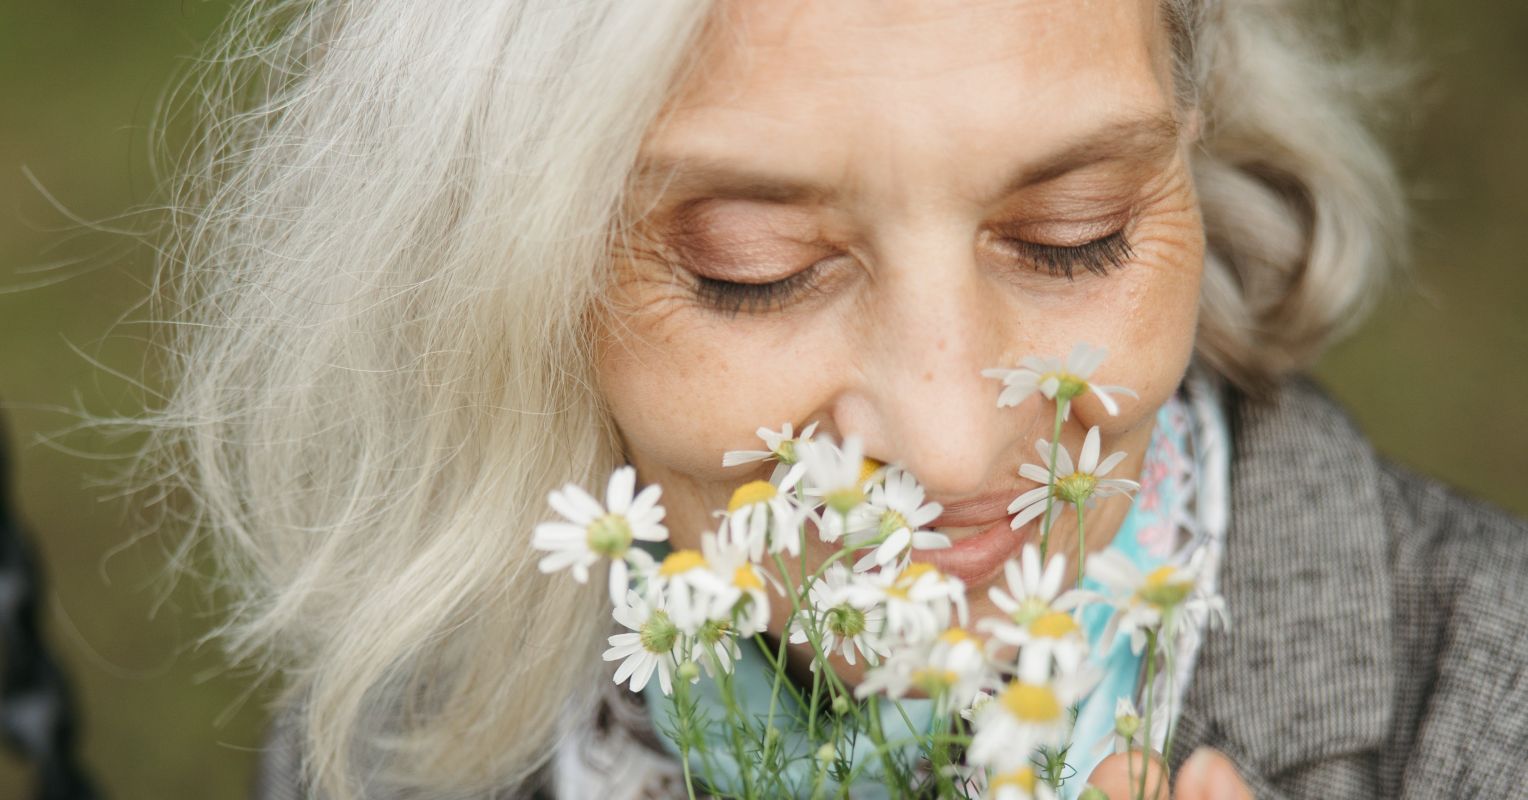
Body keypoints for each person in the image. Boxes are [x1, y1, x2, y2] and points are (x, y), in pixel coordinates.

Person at [142, 1, 1528, 798]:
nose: (952, 446)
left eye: (1074, 234)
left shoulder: (1482, 715)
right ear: (510, 269)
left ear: (1190, 150)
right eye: (755, 269)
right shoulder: (398, 738)